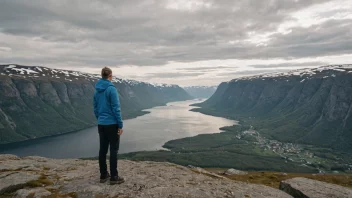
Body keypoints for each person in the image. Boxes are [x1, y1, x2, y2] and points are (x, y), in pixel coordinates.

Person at [93, 67, 125, 185]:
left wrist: (100, 119)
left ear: (102, 75)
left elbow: (95, 108)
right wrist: (120, 125)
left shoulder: (96, 91)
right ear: (110, 76)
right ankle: (114, 177)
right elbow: (116, 109)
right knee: (113, 150)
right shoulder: (111, 89)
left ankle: (103, 175)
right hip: (112, 124)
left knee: (102, 150)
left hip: (101, 124)